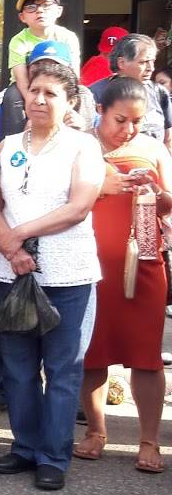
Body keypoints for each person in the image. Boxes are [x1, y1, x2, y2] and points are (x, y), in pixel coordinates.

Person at [0, 60, 105, 491]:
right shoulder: (7, 145)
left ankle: (54, 455)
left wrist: (19, 235)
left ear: (70, 101)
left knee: (63, 368)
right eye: (34, 90)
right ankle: (24, 447)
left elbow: (78, 207)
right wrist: (10, 246)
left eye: (51, 93)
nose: (38, 99)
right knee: (17, 366)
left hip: (67, 276)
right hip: (10, 273)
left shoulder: (83, 147)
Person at [75, 77, 171, 473]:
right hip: (87, 265)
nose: (128, 129)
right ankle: (96, 431)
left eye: (136, 120)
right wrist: (104, 186)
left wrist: (156, 191)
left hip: (143, 262)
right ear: (99, 111)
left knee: (146, 358)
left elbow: (168, 205)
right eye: (120, 119)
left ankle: (149, 441)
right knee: (91, 354)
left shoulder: (152, 148)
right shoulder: (79, 145)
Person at [0, 39, 96, 141]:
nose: (45, 70)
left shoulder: (84, 98)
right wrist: (25, 137)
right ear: (27, 68)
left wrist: (85, 130)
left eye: (55, 66)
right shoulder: (5, 99)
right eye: (39, 65)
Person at [90, 33, 172, 152]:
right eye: (143, 62)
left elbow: (168, 139)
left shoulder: (159, 93)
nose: (151, 68)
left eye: (153, 61)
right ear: (121, 63)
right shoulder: (95, 93)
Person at [8, 0, 80, 101]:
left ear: (58, 11)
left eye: (46, 5)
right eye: (31, 7)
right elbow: (21, 79)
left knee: (83, 93)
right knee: (11, 97)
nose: (39, 10)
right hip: (28, 87)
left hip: (59, 86)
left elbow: (74, 75)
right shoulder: (18, 40)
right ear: (22, 17)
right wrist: (33, 103)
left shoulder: (68, 37)